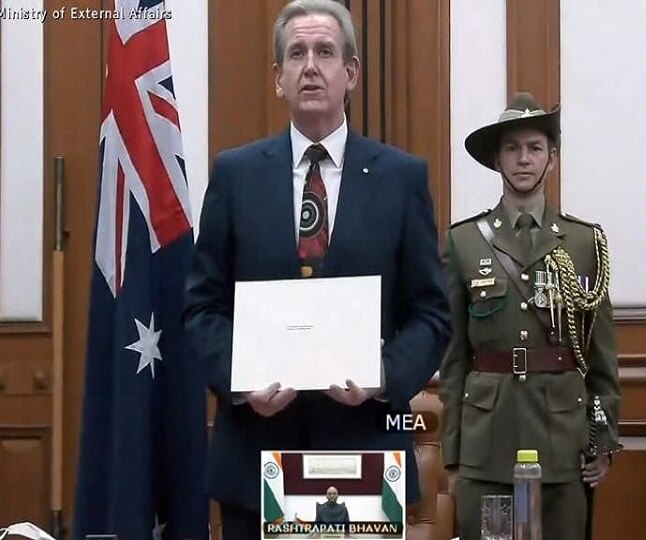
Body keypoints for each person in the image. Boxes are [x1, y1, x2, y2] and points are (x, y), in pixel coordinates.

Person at [183, 0, 450, 536]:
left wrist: (382, 377)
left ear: (350, 73)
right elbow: (201, 308)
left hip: (365, 453)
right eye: (296, 53)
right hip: (254, 459)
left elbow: (431, 315)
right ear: (277, 78)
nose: (310, 65)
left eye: (325, 52)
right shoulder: (235, 176)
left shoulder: (401, 178)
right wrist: (242, 379)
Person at [439, 92, 620, 540]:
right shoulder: (464, 243)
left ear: (552, 159)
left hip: (562, 438)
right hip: (489, 439)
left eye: (535, 148)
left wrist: (602, 440)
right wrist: (454, 454)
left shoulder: (583, 243)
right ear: (497, 160)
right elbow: (455, 359)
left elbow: (600, 361)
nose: (524, 159)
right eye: (512, 148)